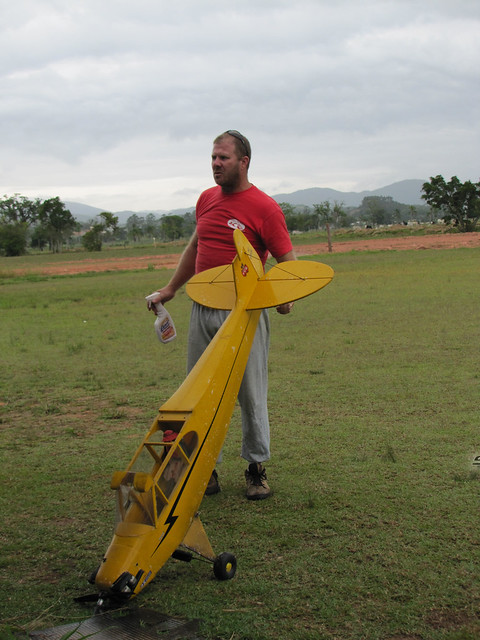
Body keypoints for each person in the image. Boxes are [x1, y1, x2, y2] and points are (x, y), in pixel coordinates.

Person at [148, 130, 295, 500]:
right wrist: (171, 288)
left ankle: (255, 468)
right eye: (213, 157)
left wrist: (283, 296)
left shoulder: (265, 207)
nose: (215, 164)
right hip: (202, 310)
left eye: (223, 158)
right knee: (197, 392)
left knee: (250, 393)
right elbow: (196, 246)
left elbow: (287, 263)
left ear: (243, 162)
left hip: (244, 314)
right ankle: (203, 469)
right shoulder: (206, 200)